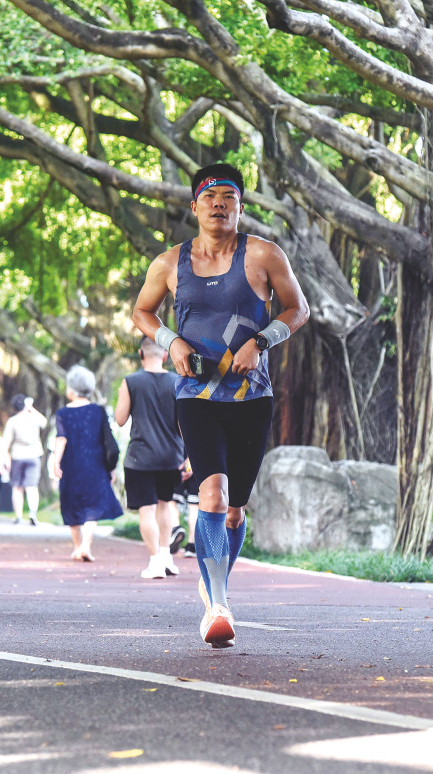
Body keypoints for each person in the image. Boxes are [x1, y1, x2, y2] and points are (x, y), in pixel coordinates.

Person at [133, 162, 309, 646]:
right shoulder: (170, 263)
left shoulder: (263, 255)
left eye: (229, 198)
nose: (219, 205)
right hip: (195, 395)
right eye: (210, 197)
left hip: (252, 397)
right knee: (210, 495)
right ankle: (217, 602)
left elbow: (299, 309)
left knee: (233, 509)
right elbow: (141, 311)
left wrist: (262, 341)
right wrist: (171, 341)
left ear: (240, 207)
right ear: (194, 207)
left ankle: (216, 584)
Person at [116, 337, 187, 579]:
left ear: (140, 354)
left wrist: (123, 395)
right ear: (165, 356)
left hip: (140, 458)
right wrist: (187, 457)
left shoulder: (130, 382)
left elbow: (120, 419)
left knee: (147, 510)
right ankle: (166, 557)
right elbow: (183, 425)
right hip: (171, 456)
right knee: (166, 505)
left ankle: (155, 561)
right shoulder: (178, 381)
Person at [52, 365, 122, 562]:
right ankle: (86, 546)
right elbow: (108, 440)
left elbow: (61, 439)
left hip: (71, 465)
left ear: (71, 389)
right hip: (96, 465)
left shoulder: (63, 413)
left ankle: (77, 547)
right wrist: (111, 467)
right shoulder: (98, 411)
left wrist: (56, 463)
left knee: (72, 504)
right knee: (92, 506)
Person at [2, 394, 47, 526]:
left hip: (17, 456)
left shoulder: (12, 421)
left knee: (17, 487)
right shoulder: (34, 418)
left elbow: (6, 442)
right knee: (32, 486)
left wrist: (6, 459)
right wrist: (31, 408)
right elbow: (44, 422)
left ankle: (19, 516)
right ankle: (33, 513)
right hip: (33, 456)